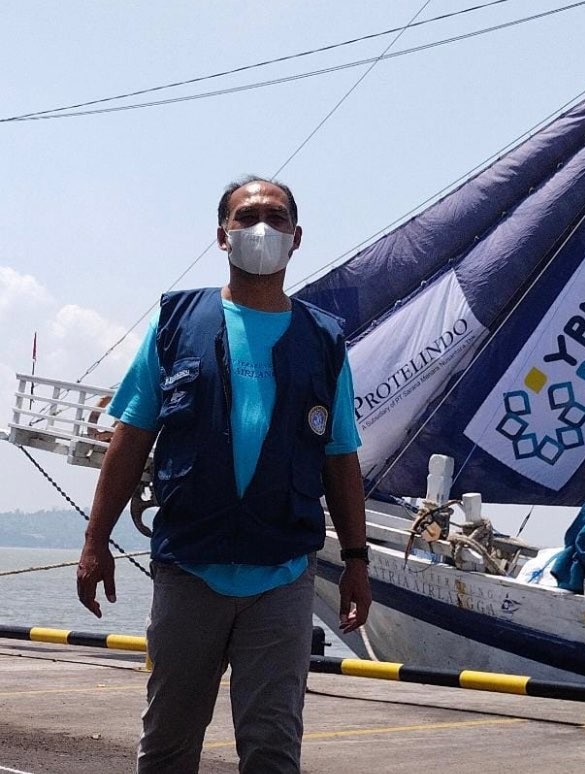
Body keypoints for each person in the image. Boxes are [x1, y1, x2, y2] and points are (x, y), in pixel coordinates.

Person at [75, 176, 373, 773]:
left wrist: (358, 563)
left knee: (271, 748)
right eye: (247, 216)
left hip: (282, 573)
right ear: (222, 235)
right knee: (167, 745)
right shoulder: (176, 323)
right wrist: (94, 540)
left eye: (276, 217)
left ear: (296, 238)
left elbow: (341, 457)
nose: (261, 227)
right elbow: (131, 437)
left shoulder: (323, 341)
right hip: (189, 568)